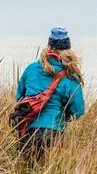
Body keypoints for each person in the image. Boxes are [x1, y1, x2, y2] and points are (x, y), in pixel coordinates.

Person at [15, 27, 85, 164]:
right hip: (54, 132)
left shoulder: (31, 69)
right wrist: (64, 117)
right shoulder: (70, 77)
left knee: (27, 172)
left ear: (49, 46)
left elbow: (19, 97)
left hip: (28, 130)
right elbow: (78, 111)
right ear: (68, 50)